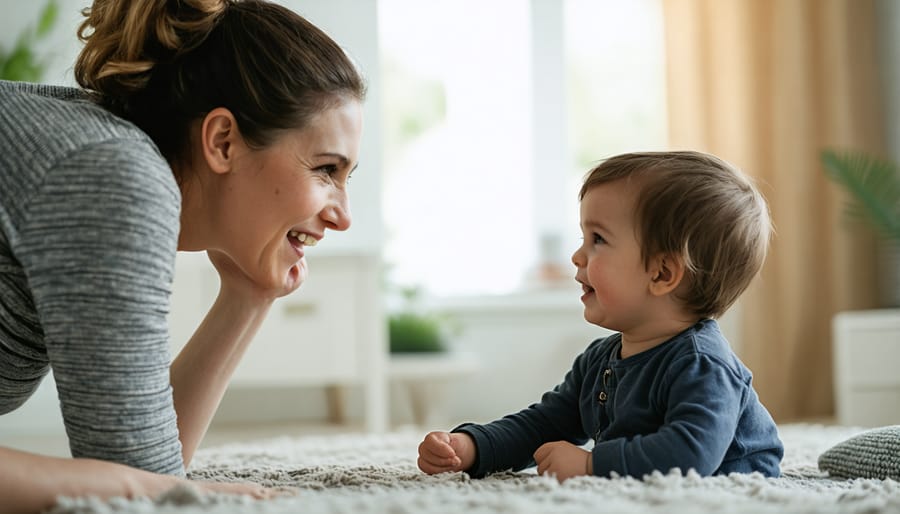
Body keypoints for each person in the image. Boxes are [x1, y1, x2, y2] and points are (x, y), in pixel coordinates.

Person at [0, 0, 365, 510]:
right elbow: (142, 481)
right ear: (222, 141)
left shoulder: (95, 150)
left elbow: (146, 470)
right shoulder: (110, 170)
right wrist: (139, 484)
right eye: (326, 169)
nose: (342, 215)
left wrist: (249, 296)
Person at [417, 151, 784, 482]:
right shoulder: (600, 360)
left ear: (661, 274)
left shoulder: (702, 365)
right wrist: (474, 446)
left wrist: (592, 464)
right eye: (583, 238)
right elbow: (545, 424)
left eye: (598, 240)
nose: (577, 256)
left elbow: (692, 454)